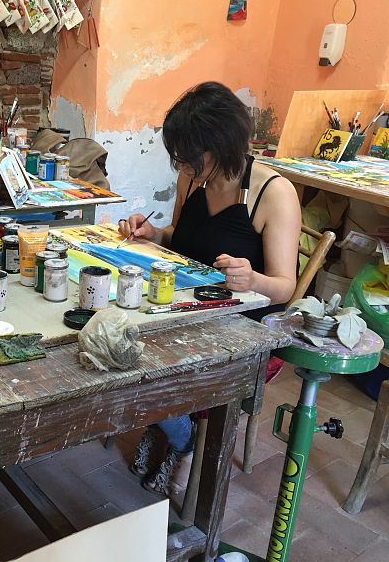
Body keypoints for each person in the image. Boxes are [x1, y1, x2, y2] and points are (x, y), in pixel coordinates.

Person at [118, 81, 301, 497]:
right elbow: (179, 239)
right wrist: (152, 234)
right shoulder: (193, 180)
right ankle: (172, 426)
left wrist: (252, 280)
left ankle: (183, 439)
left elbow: (284, 287)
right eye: (178, 158)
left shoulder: (274, 195)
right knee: (118, 340)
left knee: (148, 365)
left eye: (188, 157)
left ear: (221, 146)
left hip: (240, 324)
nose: (181, 167)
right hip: (188, 306)